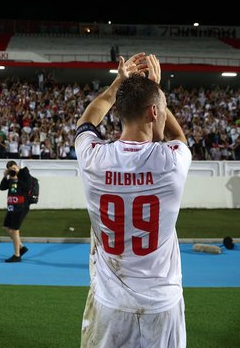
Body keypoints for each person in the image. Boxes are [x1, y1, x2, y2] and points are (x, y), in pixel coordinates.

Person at [75, 53, 191, 347]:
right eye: (160, 110)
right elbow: (180, 140)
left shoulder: (93, 158)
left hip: (110, 304)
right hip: (161, 304)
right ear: (154, 112)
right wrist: (158, 90)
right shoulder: (172, 162)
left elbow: (88, 120)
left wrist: (117, 84)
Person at [0, 160, 32, 262]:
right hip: (12, 206)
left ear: (17, 166)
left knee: (14, 229)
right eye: (11, 170)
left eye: (14, 168)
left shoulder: (24, 173)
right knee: (6, 227)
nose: (13, 170)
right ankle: (21, 247)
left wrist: (17, 179)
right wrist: (5, 176)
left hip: (21, 205)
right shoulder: (11, 177)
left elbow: (28, 188)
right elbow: (2, 187)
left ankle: (17, 255)